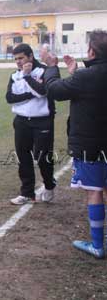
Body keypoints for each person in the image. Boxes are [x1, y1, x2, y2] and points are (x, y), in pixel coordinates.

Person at [44, 31, 107, 259]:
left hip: (91, 145)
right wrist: (76, 73)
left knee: (95, 191)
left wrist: (52, 67)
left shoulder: (86, 77)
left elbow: (54, 90)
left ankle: (97, 245)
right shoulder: (85, 76)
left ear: (92, 52)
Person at [5, 43, 57, 205]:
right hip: (21, 121)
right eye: (15, 59)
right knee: (23, 158)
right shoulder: (15, 75)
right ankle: (27, 193)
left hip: (42, 121)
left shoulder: (44, 71)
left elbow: (43, 91)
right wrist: (30, 94)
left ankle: (49, 184)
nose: (18, 62)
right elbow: (10, 98)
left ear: (30, 56)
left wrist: (27, 77)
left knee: (42, 157)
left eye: (21, 58)